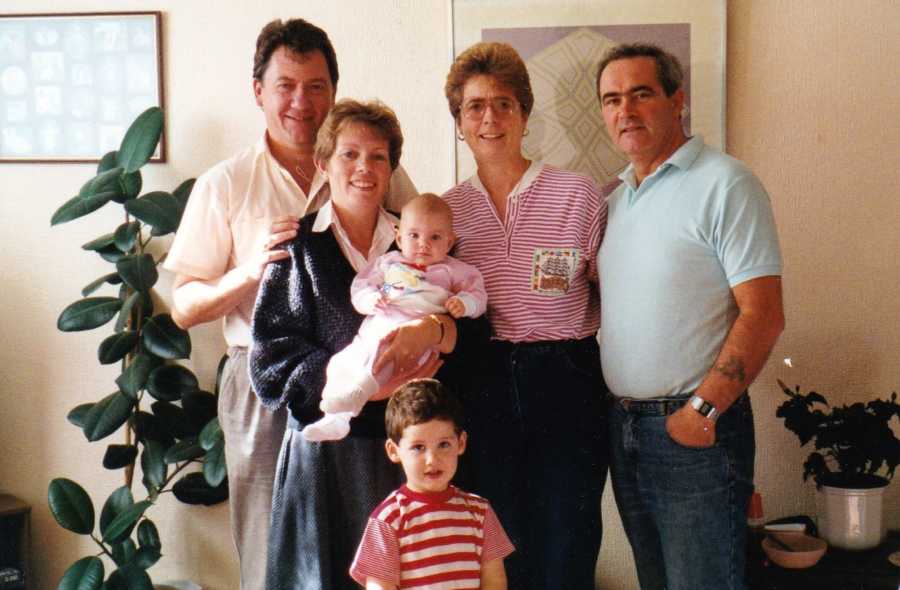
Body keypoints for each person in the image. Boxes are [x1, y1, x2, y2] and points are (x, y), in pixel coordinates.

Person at [163, 18, 416, 590]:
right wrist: (249, 272)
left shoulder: (365, 162)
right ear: (259, 90)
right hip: (263, 385)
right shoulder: (226, 183)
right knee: (269, 544)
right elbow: (184, 306)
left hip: (364, 390)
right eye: (286, 85)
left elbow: (419, 236)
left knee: (364, 542)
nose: (302, 101)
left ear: (334, 88)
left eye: (317, 85)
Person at [249, 99, 486, 590]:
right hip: (325, 460)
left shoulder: (425, 237)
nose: (364, 168)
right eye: (349, 154)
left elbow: (478, 335)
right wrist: (364, 386)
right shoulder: (297, 248)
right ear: (323, 163)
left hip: (409, 455)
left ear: (393, 166)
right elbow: (271, 361)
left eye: (378, 156)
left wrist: (436, 330)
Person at [595, 43, 785, 590]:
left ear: (677, 100)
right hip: (624, 426)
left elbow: (764, 314)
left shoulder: (727, 183)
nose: (625, 111)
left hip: (693, 430)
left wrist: (702, 410)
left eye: (641, 94)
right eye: (611, 99)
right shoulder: (615, 201)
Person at [441, 42, 608, 589]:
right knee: (495, 541)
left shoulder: (577, 194)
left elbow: (612, 295)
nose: (490, 118)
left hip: (567, 377)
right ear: (459, 122)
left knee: (569, 534)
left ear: (525, 115)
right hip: (482, 379)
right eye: (475, 106)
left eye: (504, 104)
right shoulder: (446, 211)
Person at [303, 194, 487, 442]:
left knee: (381, 363)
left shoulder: (453, 270)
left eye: (435, 237)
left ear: (449, 241)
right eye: (414, 236)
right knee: (339, 363)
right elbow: (361, 286)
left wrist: (464, 304)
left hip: (413, 339)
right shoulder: (389, 263)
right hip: (375, 329)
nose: (424, 244)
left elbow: (478, 295)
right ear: (399, 237)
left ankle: (354, 398)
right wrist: (370, 299)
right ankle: (335, 421)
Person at [349, 378, 514, 589]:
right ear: (393, 451)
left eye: (443, 444)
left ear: (461, 443)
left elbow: (495, 582)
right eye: (418, 447)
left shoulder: (480, 513)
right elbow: (380, 585)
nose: (432, 460)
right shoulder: (388, 520)